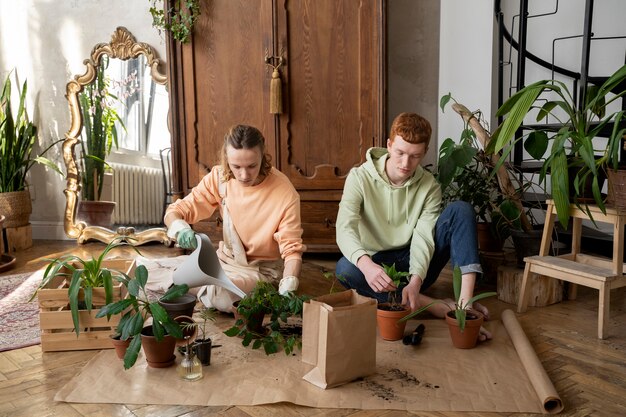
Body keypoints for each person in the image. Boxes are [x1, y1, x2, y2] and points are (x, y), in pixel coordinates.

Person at [335, 112, 491, 340]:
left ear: (425, 152)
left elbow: (423, 238)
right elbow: (344, 228)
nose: (406, 164)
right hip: (376, 266)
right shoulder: (359, 178)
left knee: (461, 210)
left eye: (415, 156)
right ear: (389, 145)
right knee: (345, 270)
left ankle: (464, 308)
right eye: (400, 153)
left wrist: (416, 280)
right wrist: (366, 265)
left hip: (415, 264)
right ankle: (431, 305)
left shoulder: (429, 186)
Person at [164, 124, 305, 312]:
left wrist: (289, 282)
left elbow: (292, 250)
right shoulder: (220, 177)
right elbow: (176, 210)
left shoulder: (285, 193)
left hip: (262, 272)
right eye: (236, 166)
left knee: (220, 295)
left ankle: (204, 289)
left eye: (252, 166)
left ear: (262, 157)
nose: (244, 175)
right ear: (226, 159)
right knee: (177, 278)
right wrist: (179, 227)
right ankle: (202, 286)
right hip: (224, 263)